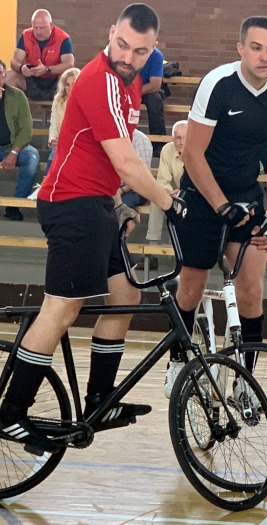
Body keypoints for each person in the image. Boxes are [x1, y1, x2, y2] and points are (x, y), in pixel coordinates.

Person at [0, 4, 186, 455]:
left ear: (152, 50)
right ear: (110, 34)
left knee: (125, 296)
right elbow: (126, 160)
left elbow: (111, 157)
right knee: (62, 309)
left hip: (98, 203)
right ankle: (10, 413)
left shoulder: (131, 80)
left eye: (140, 50)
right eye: (122, 44)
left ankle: (100, 398)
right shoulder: (100, 79)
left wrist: (118, 203)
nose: (128, 55)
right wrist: (170, 202)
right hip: (70, 204)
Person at [165, 15, 267, 397]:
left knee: (252, 289)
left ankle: (244, 380)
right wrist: (221, 206)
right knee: (191, 286)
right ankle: (176, 363)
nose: (264, 56)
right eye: (256, 47)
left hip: (246, 197)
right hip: (205, 197)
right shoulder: (218, 84)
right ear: (241, 49)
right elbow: (192, 152)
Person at [0, 60, 41, 222]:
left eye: (0, 75)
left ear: (4, 77)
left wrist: (14, 152)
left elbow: (26, 129)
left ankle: (14, 205)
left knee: (32, 158)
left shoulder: (17, 96)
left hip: (13, 145)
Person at [146, 120, 188, 269]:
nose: (182, 142)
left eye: (185, 137)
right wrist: (170, 193)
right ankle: (152, 251)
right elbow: (162, 181)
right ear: (172, 138)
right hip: (173, 192)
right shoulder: (167, 150)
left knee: (179, 204)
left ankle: (178, 252)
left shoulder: (198, 149)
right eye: (178, 138)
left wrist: (182, 192)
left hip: (194, 194)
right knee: (156, 200)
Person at [6, 9, 75, 100]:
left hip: (55, 83)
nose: (38, 32)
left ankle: (65, 112)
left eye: (42, 28)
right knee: (8, 75)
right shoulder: (26, 35)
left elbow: (69, 64)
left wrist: (47, 69)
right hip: (32, 80)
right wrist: (21, 68)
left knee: (70, 78)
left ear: (51, 25)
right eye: (35, 28)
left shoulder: (63, 38)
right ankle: (14, 112)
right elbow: (14, 60)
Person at [44, 67, 80, 176]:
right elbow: (54, 123)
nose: (70, 88)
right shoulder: (58, 100)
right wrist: (52, 140)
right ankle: (46, 189)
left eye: (73, 84)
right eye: (67, 84)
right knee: (52, 161)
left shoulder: (87, 101)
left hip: (79, 145)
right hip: (61, 144)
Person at [139, 46, 166, 146]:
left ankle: (158, 144)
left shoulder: (156, 55)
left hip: (145, 91)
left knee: (155, 99)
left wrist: (133, 93)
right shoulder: (127, 52)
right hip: (126, 89)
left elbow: (155, 85)